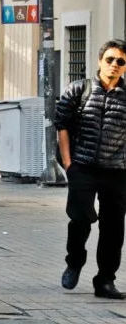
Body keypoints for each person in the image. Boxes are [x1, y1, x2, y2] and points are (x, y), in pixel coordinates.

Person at [55, 38, 126, 299]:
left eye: (120, 62)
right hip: (82, 166)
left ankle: (105, 280)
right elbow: (61, 124)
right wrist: (69, 164)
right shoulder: (78, 90)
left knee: (114, 228)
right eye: (110, 59)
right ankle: (74, 262)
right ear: (100, 61)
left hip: (117, 171)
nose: (114, 65)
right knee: (80, 219)